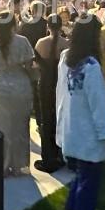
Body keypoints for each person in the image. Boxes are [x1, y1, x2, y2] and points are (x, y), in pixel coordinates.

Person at [55, 14, 105, 210]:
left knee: (80, 176)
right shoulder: (91, 66)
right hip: (88, 133)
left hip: (71, 128)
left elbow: (60, 95)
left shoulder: (65, 58)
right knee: (89, 183)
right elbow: (98, 106)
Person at [0, 10, 36, 176]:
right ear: (14, 24)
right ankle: (20, 165)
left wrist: (3, 67)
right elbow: (29, 66)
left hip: (1, 87)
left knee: (1, 127)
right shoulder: (23, 41)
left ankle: (3, 165)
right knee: (21, 126)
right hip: (21, 86)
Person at [33, 14, 69, 173]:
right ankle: (60, 154)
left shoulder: (41, 43)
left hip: (45, 85)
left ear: (47, 26)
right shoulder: (66, 44)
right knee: (60, 118)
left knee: (46, 120)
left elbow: (34, 66)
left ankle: (47, 156)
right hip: (60, 85)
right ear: (61, 26)